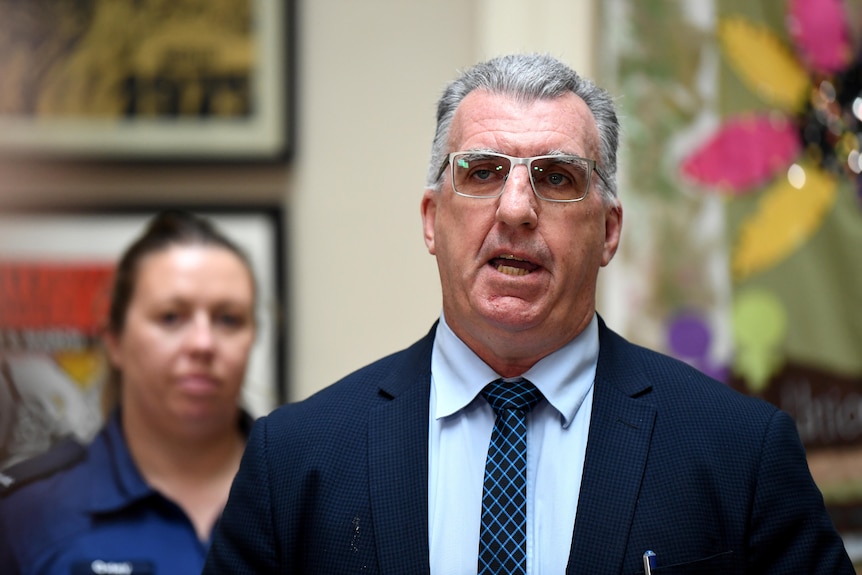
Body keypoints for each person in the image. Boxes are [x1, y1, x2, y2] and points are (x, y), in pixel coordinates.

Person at [202, 54, 854, 574]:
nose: (515, 209)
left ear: (608, 230)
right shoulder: (295, 459)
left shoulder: (740, 452)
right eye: (483, 172)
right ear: (433, 219)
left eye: (558, 177)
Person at [0, 210, 259, 574]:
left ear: (253, 337)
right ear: (115, 340)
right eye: (171, 317)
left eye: (228, 319)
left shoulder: (308, 495)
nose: (203, 343)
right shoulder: (26, 512)